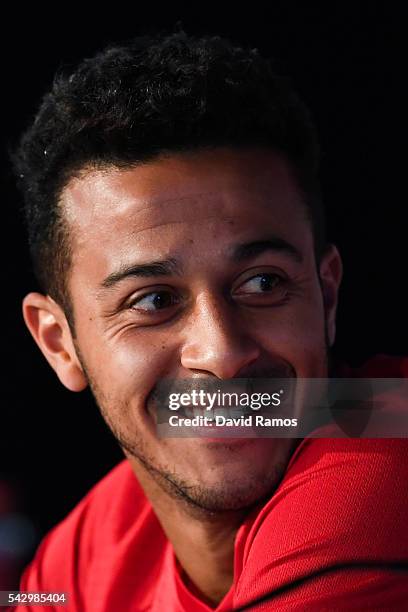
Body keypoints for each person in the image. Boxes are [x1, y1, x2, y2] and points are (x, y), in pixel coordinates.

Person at [9, 29, 407, 610]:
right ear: (59, 344)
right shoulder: (83, 553)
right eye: (153, 301)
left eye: (263, 283)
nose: (221, 354)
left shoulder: (386, 447)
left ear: (327, 295)